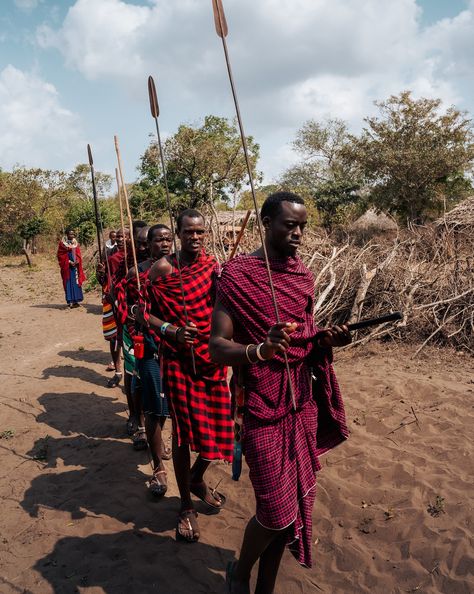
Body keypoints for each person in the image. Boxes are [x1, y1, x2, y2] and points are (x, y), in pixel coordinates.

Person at [209, 192, 351, 594]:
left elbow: (305, 337)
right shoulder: (236, 276)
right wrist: (259, 350)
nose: (299, 233)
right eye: (290, 225)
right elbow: (217, 347)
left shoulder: (302, 277)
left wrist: (324, 341)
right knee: (273, 513)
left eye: (302, 226)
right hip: (260, 408)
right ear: (266, 223)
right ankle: (240, 571)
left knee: (286, 513)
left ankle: (264, 588)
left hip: (300, 405)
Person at [143, 209, 233, 542]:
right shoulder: (162, 269)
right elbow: (142, 314)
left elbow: (226, 308)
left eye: (200, 232)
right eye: (188, 232)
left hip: (211, 359)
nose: (195, 237)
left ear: (205, 234)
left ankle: (197, 477)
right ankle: (184, 505)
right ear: (179, 234)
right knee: (183, 434)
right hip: (178, 363)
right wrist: (172, 330)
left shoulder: (213, 268)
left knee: (220, 427)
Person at [120, 224, 174, 495]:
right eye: (158, 240)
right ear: (148, 244)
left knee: (171, 407)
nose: (163, 244)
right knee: (154, 406)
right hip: (151, 346)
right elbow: (128, 308)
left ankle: (162, 443)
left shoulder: (180, 269)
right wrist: (140, 314)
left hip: (177, 349)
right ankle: (159, 469)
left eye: (167, 239)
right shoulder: (137, 274)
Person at [57, 228, 85, 308]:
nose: (72, 235)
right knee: (68, 283)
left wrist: (77, 261)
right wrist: (69, 262)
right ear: (66, 234)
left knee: (76, 283)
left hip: (75, 267)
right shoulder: (62, 244)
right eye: (70, 234)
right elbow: (60, 256)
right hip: (67, 267)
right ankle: (70, 302)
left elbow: (78, 253)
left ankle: (76, 301)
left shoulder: (75, 243)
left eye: (73, 234)